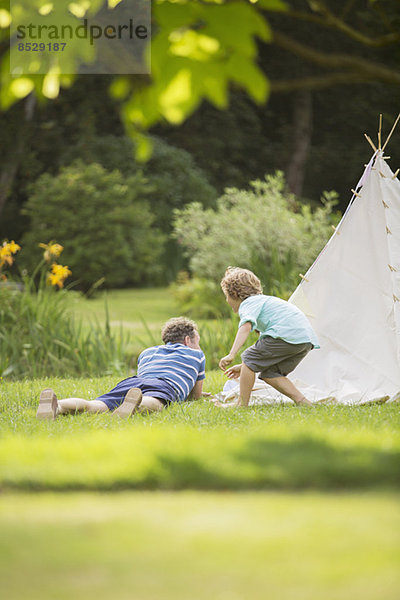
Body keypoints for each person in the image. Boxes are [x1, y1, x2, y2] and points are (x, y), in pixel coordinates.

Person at [36, 317, 206, 420]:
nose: (197, 345)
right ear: (187, 340)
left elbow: (146, 376)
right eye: (197, 341)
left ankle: (58, 407)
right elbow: (195, 397)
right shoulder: (197, 355)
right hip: (164, 385)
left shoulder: (147, 352)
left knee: (97, 405)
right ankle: (135, 406)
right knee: (157, 402)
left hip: (133, 383)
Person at [215, 266, 319, 408]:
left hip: (286, 335)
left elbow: (246, 327)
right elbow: (265, 351)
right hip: (304, 340)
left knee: (249, 357)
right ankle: (303, 402)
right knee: (271, 373)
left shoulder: (248, 303)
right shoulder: (265, 302)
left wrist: (232, 354)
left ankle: (241, 404)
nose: (227, 300)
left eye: (226, 296)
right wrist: (244, 366)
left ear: (233, 293)